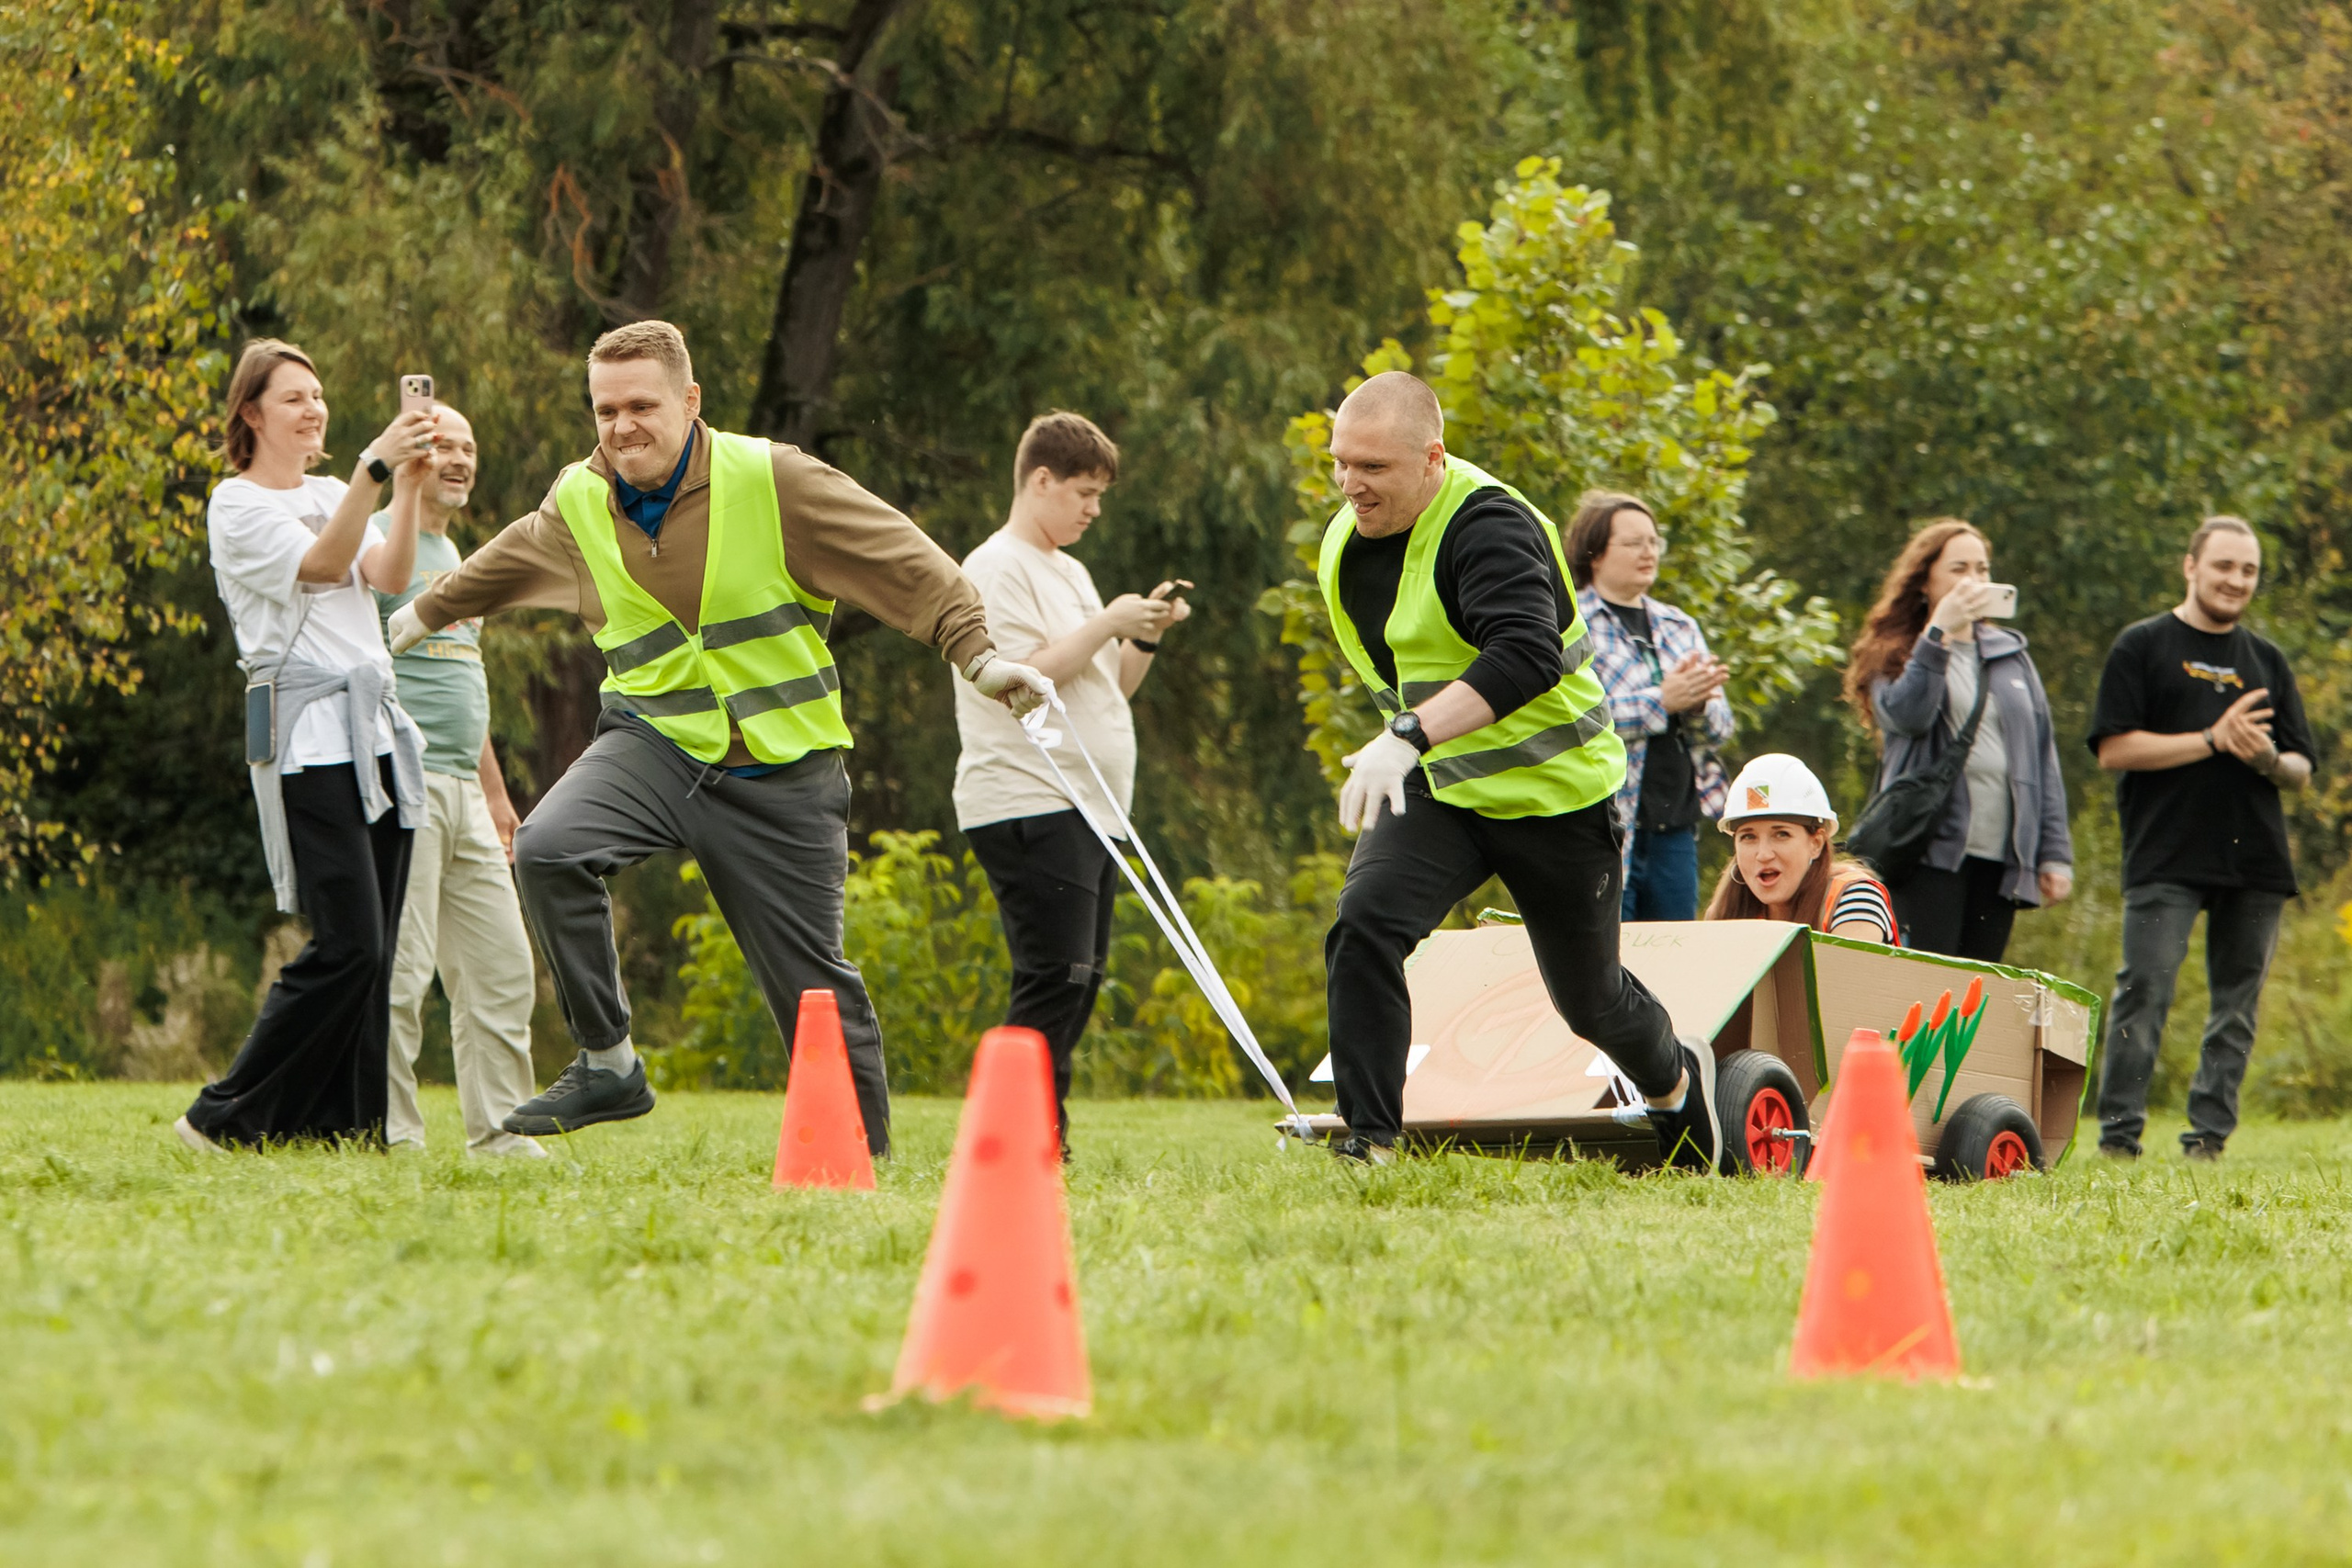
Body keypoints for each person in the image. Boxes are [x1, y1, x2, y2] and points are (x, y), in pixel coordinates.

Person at [386, 321, 1049, 1151]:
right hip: (653, 743)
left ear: (690, 401)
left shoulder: (775, 478)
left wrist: (980, 657)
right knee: (548, 847)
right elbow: (508, 557)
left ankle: (857, 1160)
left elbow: (905, 560)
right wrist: (422, 610)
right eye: (604, 409)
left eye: (641, 405)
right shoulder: (579, 499)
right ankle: (609, 1060)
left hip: (783, 764)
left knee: (809, 985)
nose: (622, 425)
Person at [1313, 371, 1721, 1169]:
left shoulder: (1488, 524)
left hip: (1557, 795)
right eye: (1341, 463)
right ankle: (1371, 1144)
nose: (1351, 486)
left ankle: (1675, 1081)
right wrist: (1414, 744)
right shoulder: (1346, 539)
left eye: (1374, 469)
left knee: (1591, 1003)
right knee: (1363, 923)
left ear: (1432, 458)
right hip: (1446, 785)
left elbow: (1527, 655)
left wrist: (1406, 733)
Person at [175, 340, 438, 1152]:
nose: (315, 408)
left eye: (319, 395)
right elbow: (323, 567)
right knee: (348, 940)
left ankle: (347, 1130)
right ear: (251, 414)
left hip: (378, 734)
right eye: (295, 397)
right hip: (308, 739)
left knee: (380, 948)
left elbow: (387, 573)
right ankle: (220, 1115)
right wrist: (376, 467)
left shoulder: (334, 489)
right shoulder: (237, 504)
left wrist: (411, 490)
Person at [952, 412, 1188, 1154]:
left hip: (1090, 808)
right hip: (1027, 798)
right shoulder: (994, 567)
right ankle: (1019, 1132)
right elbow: (1017, 675)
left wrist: (1139, 631)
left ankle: (1038, 1129)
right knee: (1055, 975)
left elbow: (1108, 682)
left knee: (1082, 977)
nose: (1093, 509)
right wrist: (1107, 620)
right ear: (1040, 480)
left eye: (1100, 497)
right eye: (1084, 492)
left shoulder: (1070, 570)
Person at [2086, 516, 2313, 1162]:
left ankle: (2206, 1139)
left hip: (2257, 859)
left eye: (2248, 570)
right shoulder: (2143, 645)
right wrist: (2213, 739)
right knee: (2145, 989)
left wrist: (2265, 757)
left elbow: (2301, 769)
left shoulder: (2267, 660)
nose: (2236, 580)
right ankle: (2119, 1138)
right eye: (2223, 566)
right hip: (2165, 852)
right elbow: (2113, 747)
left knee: (2236, 1006)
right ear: (2190, 566)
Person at [373, 404, 546, 1157]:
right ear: (414, 448)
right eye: (446, 443)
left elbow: (465, 683)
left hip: (467, 795)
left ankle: (503, 1132)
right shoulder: (379, 541)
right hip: (400, 782)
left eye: (472, 447)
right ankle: (390, 1131)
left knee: (502, 965)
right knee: (402, 973)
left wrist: (498, 794)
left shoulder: (460, 556)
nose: (462, 459)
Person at [1845, 519, 2071, 960]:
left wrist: (2054, 854)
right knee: (1929, 985)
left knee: (1978, 991)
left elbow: (2043, 757)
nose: (1974, 580)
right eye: (1959, 568)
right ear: (1925, 581)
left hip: (2002, 857)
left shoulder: (2012, 656)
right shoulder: (1895, 651)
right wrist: (1937, 636)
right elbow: (1908, 716)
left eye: (1982, 569)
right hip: (1928, 852)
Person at [1567, 491, 1733, 920]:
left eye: (1654, 541)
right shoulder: (1568, 623)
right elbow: (1571, 720)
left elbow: (1721, 728)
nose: (1648, 552)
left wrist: (1696, 708)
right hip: (1602, 827)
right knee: (1604, 961)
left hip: (1675, 827)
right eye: (1633, 542)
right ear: (1595, 553)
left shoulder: (1679, 624)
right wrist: (1661, 701)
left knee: (1673, 959)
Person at [1702, 755, 1898, 943]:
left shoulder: (1856, 899)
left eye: (1781, 835)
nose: (1763, 855)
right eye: (1748, 837)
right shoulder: (1724, 913)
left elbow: (1846, 976)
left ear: (1816, 843)